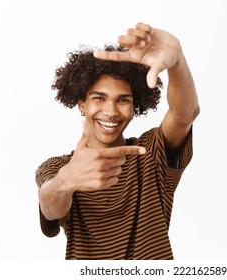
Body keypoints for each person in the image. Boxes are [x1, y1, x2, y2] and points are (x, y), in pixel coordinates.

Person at [35, 22, 200, 260]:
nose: (111, 111)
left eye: (123, 100)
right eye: (99, 98)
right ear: (82, 104)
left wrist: (178, 62)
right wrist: (66, 181)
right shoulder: (58, 168)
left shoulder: (150, 153)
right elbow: (50, 209)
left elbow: (185, 114)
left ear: (135, 105)